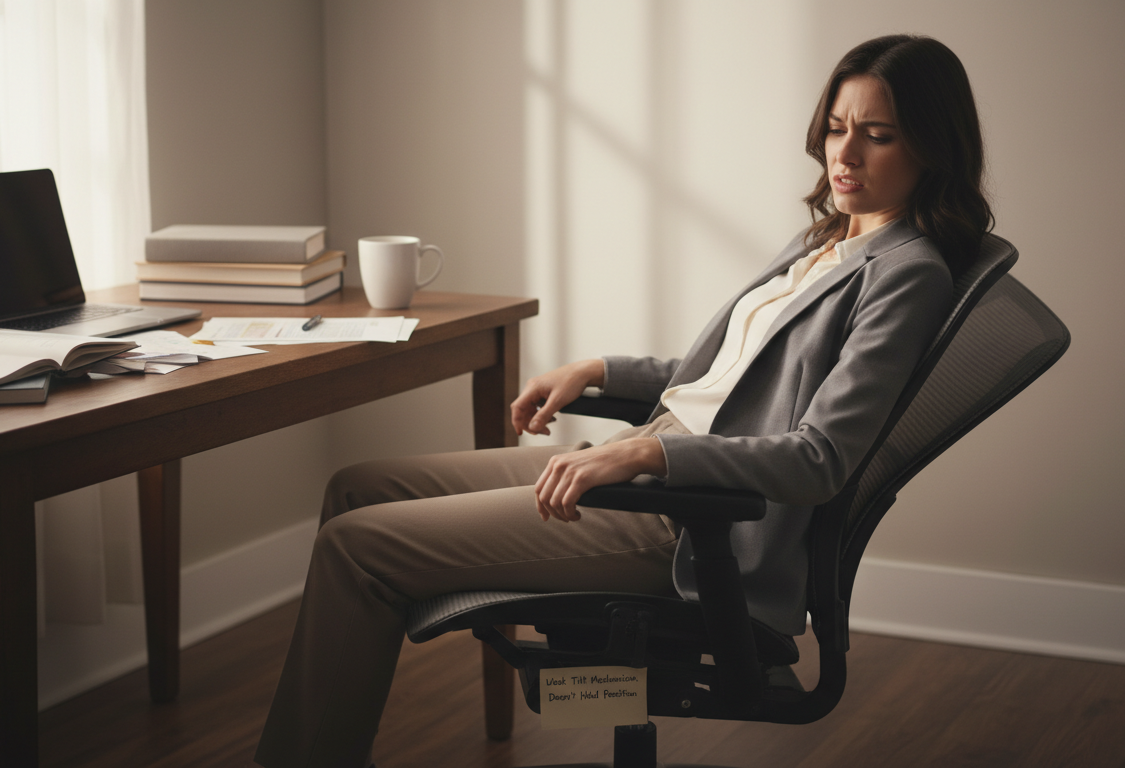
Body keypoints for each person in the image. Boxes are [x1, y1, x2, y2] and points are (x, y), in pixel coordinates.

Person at [254, 33, 992, 768]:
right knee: (357, 488)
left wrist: (650, 450)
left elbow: (820, 459)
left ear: (933, 147)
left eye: (878, 136)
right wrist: (598, 369)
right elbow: (726, 377)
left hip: (689, 525)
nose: (845, 154)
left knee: (356, 548)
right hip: (649, 466)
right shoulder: (825, 239)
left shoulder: (905, 273)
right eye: (836, 128)